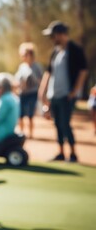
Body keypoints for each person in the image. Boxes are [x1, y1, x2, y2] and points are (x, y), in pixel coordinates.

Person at [38, 21, 88, 162]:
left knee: (66, 124)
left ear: (61, 35)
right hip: (54, 95)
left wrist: (74, 91)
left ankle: (73, 154)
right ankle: (61, 153)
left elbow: (83, 72)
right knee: (58, 125)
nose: (52, 39)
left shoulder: (75, 50)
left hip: (66, 95)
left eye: (53, 36)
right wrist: (43, 91)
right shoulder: (55, 52)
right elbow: (48, 73)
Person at [15, 42, 43, 139]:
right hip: (22, 93)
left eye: (25, 55)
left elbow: (41, 81)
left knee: (30, 114)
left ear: (30, 54)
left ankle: (31, 134)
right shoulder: (22, 66)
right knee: (21, 114)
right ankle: (21, 133)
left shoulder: (36, 66)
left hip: (32, 93)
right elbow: (17, 80)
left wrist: (42, 93)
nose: (23, 57)